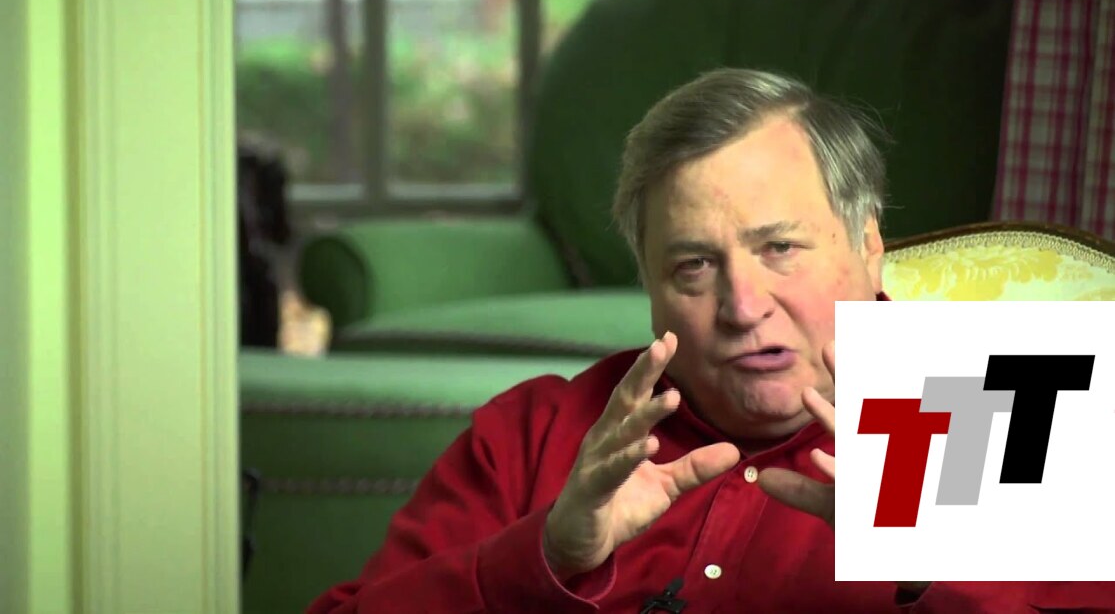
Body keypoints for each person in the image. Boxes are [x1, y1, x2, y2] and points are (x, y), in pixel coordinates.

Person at [308, 69, 1115, 613]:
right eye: (692, 265)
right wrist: (543, 557)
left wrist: (933, 569)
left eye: (779, 248)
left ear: (868, 243)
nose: (741, 306)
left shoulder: (1015, 404)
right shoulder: (534, 432)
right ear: (648, 284)